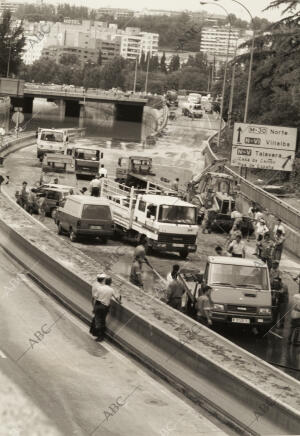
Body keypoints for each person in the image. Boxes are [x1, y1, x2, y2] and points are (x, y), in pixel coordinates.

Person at [91, 275, 121, 342]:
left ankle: (98, 335)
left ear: (105, 282)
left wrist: (93, 306)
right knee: (102, 320)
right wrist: (120, 302)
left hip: (98, 305)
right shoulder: (111, 290)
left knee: (98, 320)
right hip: (105, 307)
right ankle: (101, 336)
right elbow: (117, 299)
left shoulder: (100, 288)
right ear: (110, 283)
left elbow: (94, 297)